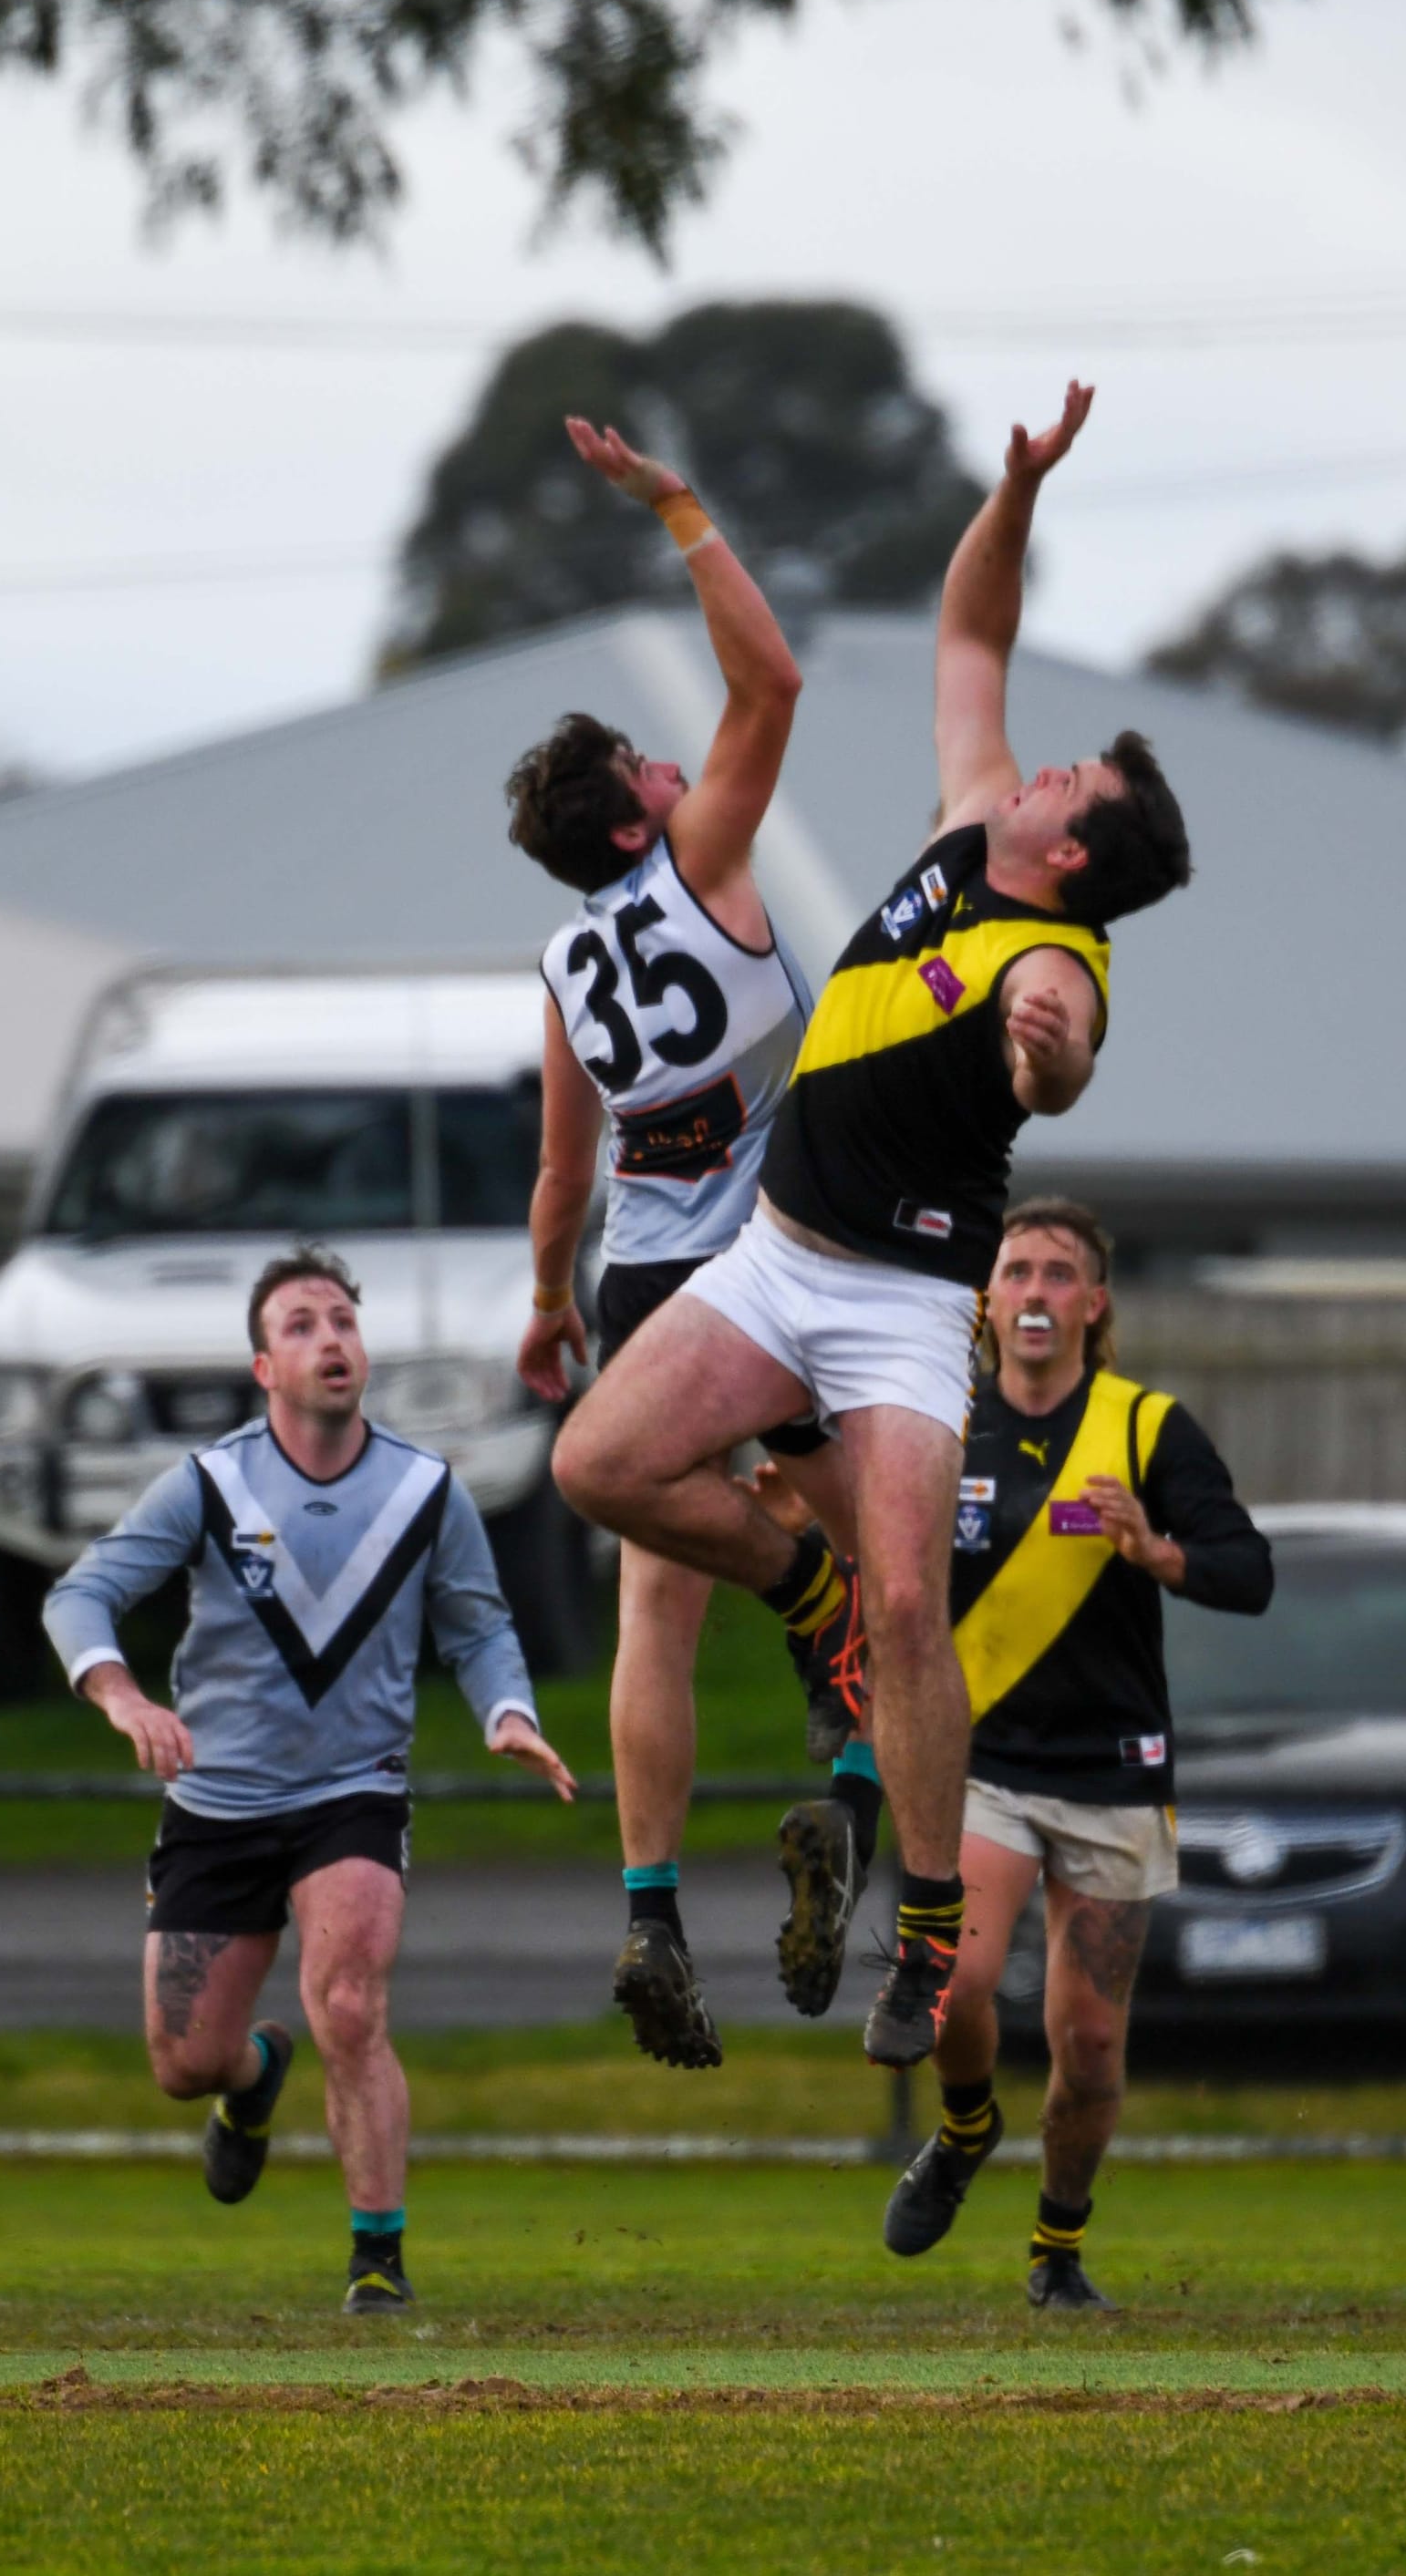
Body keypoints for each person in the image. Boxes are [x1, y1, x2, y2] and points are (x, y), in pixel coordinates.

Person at [553, 380, 1194, 2071]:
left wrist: (1046, 1058)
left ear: (1078, 853)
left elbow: (1057, 1067)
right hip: (771, 1259)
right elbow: (973, 631)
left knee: (914, 1606)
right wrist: (1019, 490)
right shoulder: (976, 820)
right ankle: (799, 1582)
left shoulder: (1058, 959)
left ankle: (924, 1932)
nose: (1043, 765)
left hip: (906, 1297)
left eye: (1073, 778)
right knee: (598, 1468)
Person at [508, 413, 866, 2075]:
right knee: (875, 1572)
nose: (680, 766)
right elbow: (772, 683)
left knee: (657, 1606)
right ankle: (849, 1797)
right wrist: (678, 508)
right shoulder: (705, 862)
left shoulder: (564, 967)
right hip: (773, 1269)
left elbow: (560, 1177)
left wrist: (544, 1305)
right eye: (655, 767)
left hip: (643, 1284)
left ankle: (650, 1911)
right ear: (637, 826)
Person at [43, 1244, 574, 2314]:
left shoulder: (424, 1490)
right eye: (301, 1325)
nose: (330, 1339)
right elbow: (79, 1596)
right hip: (217, 1803)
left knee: (348, 2004)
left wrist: (507, 1713)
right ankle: (251, 2079)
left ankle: (377, 2258)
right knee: (184, 2062)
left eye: (342, 1320)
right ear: (263, 1368)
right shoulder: (209, 1484)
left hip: (352, 1796)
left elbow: (478, 1629)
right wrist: (123, 1699)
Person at [879, 1198, 1272, 2309]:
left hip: (1111, 1771)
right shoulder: (941, 1422)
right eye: (1016, 1272)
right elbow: (875, 1565)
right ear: (986, 1300)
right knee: (952, 1985)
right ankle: (965, 2128)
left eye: (1058, 1274)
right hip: (980, 1765)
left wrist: (1155, 1550)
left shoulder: (1143, 1428)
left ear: (1092, 1304)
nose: (1035, 1292)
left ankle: (1056, 2249)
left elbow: (1248, 1572)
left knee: (1089, 2044)